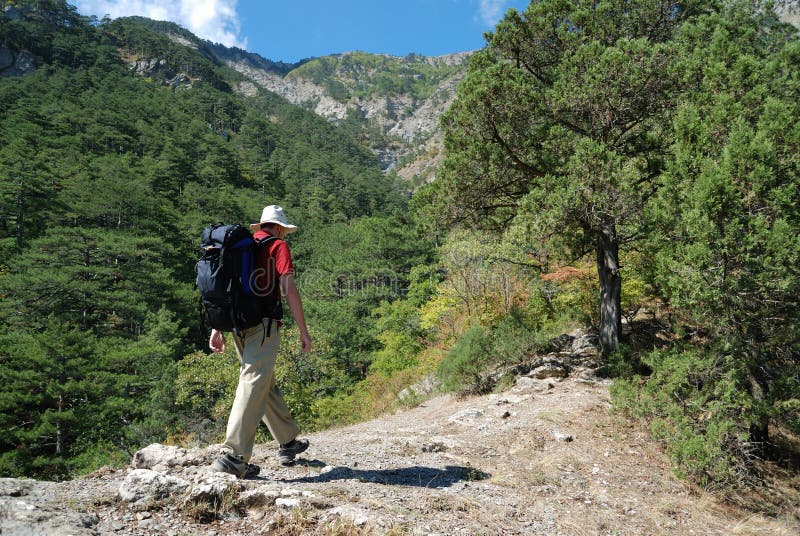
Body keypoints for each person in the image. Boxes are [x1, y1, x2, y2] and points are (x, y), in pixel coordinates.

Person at [210, 205, 312, 478]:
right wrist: (303, 329)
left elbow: (221, 287)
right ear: (279, 227)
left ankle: (288, 440)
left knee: (262, 379)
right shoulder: (277, 246)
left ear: (261, 225)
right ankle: (234, 455)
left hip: (237, 324)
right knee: (254, 379)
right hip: (264, 325)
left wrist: (217, 327)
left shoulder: (238, 246)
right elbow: (288, 288)